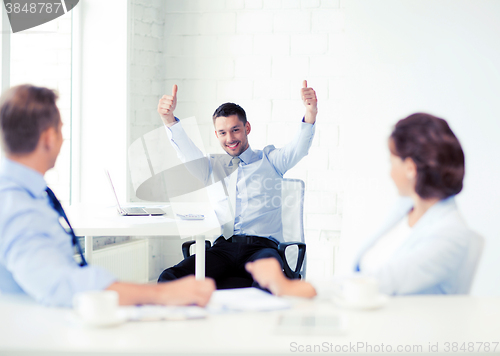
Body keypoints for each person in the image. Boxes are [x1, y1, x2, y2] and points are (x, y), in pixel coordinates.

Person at [0, 84, 215, 307]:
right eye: (62, 130)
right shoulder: (17, 206)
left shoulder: (24, 194)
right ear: (48, 138)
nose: (63, 141)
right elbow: (60, 284)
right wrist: (160, 294)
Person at [247, 113, 478, 297]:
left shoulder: (451, 233)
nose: (389, 171)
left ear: (410, 168)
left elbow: (381, 282)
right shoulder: (406, 210)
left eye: (392, 161)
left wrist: (291, 287)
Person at [156, 81, 317, 288]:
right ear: (217, 135)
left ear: (246, 128)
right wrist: (168, 119)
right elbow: (186, 151)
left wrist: (310, 112)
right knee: (170, 278)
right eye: (222, 133)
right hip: (222, 249)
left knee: (270, 283)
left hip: (262, 249)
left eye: (235, 130)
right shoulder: (210, 168)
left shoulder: (271, 161)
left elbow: (299, 147)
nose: (230, 138)